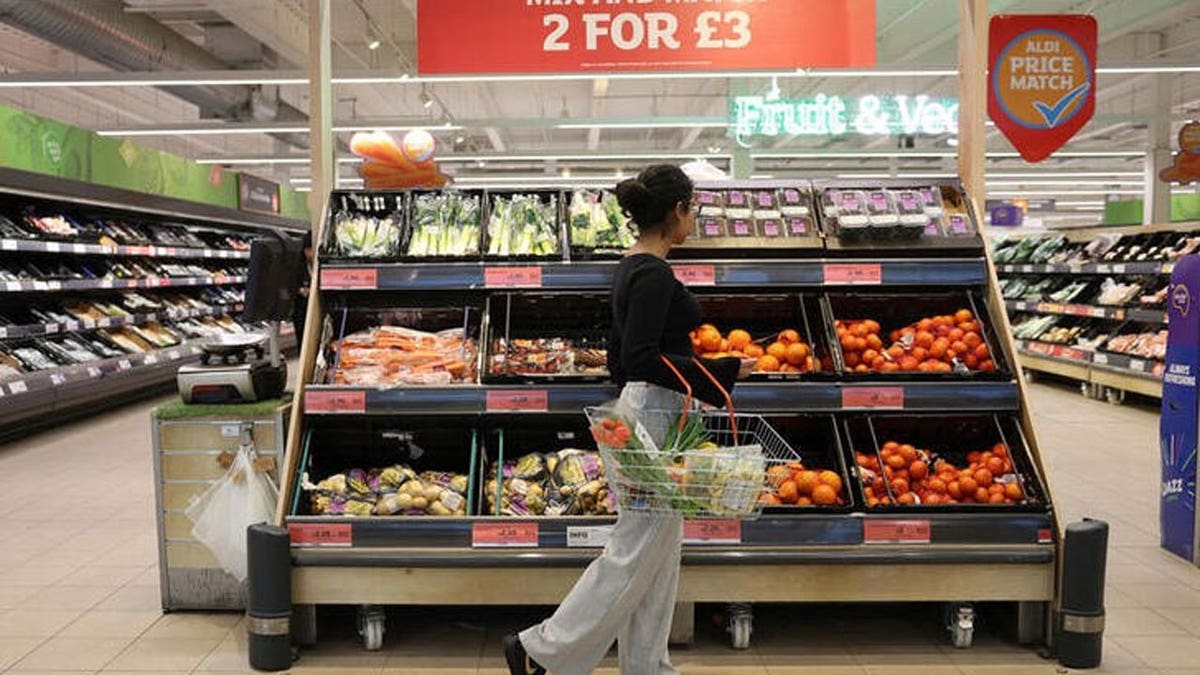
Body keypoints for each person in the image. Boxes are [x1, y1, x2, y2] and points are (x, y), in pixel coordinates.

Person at [504, 165, 756, 675]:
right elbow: (640, 358)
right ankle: (540, 649)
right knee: (637, 544)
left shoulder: (632, 266)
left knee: (658, 552)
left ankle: (647, 665)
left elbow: (624, 359)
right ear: (678, 210)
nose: (695, 219)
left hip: (648, 413)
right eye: (694, 209)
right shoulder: (652, 274)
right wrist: (723, 369)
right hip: (653, 422)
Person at [292, 231, 313, 341]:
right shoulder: (296, 266)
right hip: (301, 310)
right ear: (305, 250)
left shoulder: (317, 264)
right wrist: (300, 290)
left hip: (315, 310)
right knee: (303, 339)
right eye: (311, 250)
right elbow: (288, 285)